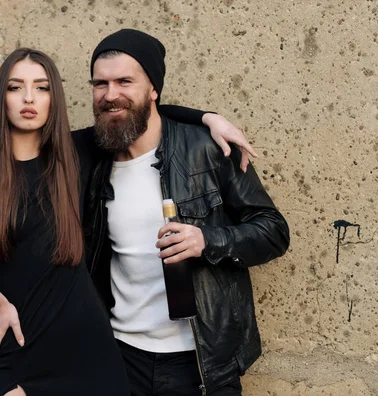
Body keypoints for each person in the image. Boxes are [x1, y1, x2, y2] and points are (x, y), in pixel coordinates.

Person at [0, 47, 254, 396]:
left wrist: (207, 118)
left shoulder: (75, 153)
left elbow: (134, 110)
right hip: (21, 348)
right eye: (14, 87)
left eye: (41, 87)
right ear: (1, 98)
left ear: (54, 99)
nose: (28, 98)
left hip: (92, 354)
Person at [84, 29, 291, 396]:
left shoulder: (207, 149)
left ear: (153, 89)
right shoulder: (90, 157)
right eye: (101, 83)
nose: (111, 94)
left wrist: (206, 239)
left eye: (124, 81)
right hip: (118, 358)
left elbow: (273, 231)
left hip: (200, 363)